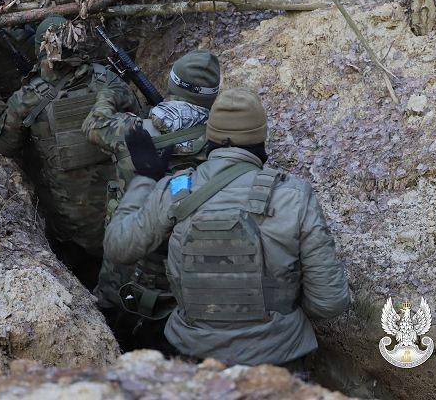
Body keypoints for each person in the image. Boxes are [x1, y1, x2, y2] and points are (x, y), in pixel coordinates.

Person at [104, 88, 350, 367]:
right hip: (278, 360)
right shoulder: (294, 195)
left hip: (193, 355)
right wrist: (282, 312)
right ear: (260, 139)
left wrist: (145, 178)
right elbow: (329, 301)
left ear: (209, 138)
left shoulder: (176, 188)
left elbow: (118, 246)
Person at [82, 49, 220, 349]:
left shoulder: (132, 131)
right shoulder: (221, 144)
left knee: (107, 324)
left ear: (172, 84)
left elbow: (93, 125)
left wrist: (111, 94)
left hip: (123, 257)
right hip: (179, 267)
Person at [0, 16, 141, 288]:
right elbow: (139, 120)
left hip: (70, 224)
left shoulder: (28, 97)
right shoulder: (108, 80)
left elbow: (4, 146)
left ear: (40, 50)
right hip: (123, 209)